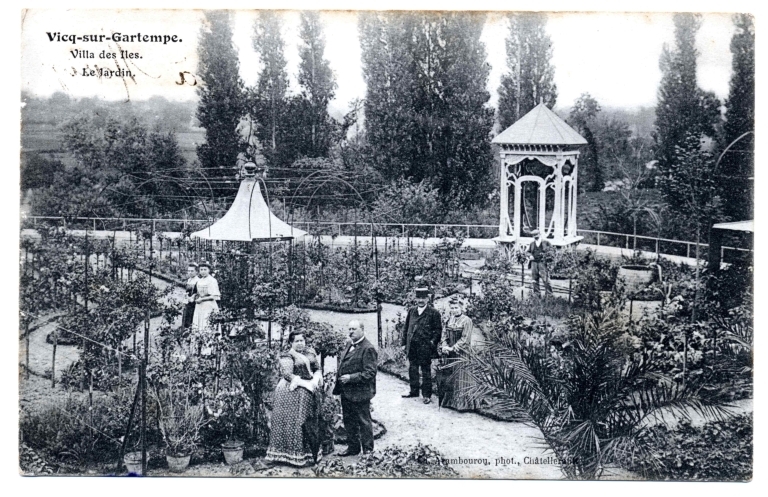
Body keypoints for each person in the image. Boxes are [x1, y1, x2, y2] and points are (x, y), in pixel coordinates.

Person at [265, 331, 324, 466]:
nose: (300, 344)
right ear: (291, 343)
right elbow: (287, 374)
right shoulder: (287, 355)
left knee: (310, 422)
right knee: (294, 422)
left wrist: (315, 379)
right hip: (291, 392)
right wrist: (306, 384)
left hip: (309, 390)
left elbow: (316, 368)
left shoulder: (310, 352)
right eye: (296, 341)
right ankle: (290, 455)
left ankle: (310, 455)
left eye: (302, 340)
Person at [333, 320, 378, 456]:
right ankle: (353, 448)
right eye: (349, 329)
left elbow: (370, 373)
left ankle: (368, 451)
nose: (350, 331)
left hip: (360, 392)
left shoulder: (368, 348)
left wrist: (351, 378)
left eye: (354, 329)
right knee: (349, 420)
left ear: (362, 330)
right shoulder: (349, 344)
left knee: (364, 421)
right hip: (347, 392)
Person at [439, 296, 483, 411]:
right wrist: (444, 345)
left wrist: (453, 348)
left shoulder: (467, 320)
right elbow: (444, 335)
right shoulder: (449, 319)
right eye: (452, 308)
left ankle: (463, 404)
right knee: (451, 377)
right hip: (450, 353)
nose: (454, 310)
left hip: (462, 352)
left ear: (461, 308)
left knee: (461, 376)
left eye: (456, 307)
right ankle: (450, 402)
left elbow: (465, 339)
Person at [401, 284, 443, 404]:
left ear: (427, 299)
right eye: (418, 298)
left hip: (425, 347)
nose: (420, 300)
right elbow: (406, 328)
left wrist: (432, 343)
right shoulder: (412, 311)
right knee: (412, 369)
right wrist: (404, 343)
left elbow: (438, 330)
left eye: (423, 298)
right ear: (416, 298)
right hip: (412, 346)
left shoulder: (433, 313)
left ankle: (426, 395)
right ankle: (413, 391)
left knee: (425, 371)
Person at [191, 261, 220, 330]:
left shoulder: (212, 280)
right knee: (198, 323)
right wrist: (194, 297)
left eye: (205, 269)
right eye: (201, 270)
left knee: (207, 323)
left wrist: (202, 299)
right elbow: (198, 293)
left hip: (208, 305)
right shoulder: (200, 281)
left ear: (209, 270)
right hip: (199, 305)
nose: (203, 271)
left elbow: (214, 296)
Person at [528, 229, 553, 297]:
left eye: (536, 235)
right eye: (533, 236)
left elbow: (551, 251)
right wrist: (530, 255)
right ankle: (537, 294)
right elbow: (528, 251)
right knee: (534, 279)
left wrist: (547, 257)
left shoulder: (546, 242)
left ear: (539, 234)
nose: (535, 237)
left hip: (542, 263)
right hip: (534, 263)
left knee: (545, 279)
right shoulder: (532, 244)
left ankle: (549, 295)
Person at [181, 262, 199, 328]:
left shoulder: (198, 280)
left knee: (191, 320)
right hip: (188, 303)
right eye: (189, 271)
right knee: (186, 319)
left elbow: (197, 293)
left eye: (192, 271)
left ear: (196, 272)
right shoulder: (189, 280)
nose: (190, 272)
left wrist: (192, 297)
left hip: (194, 304)